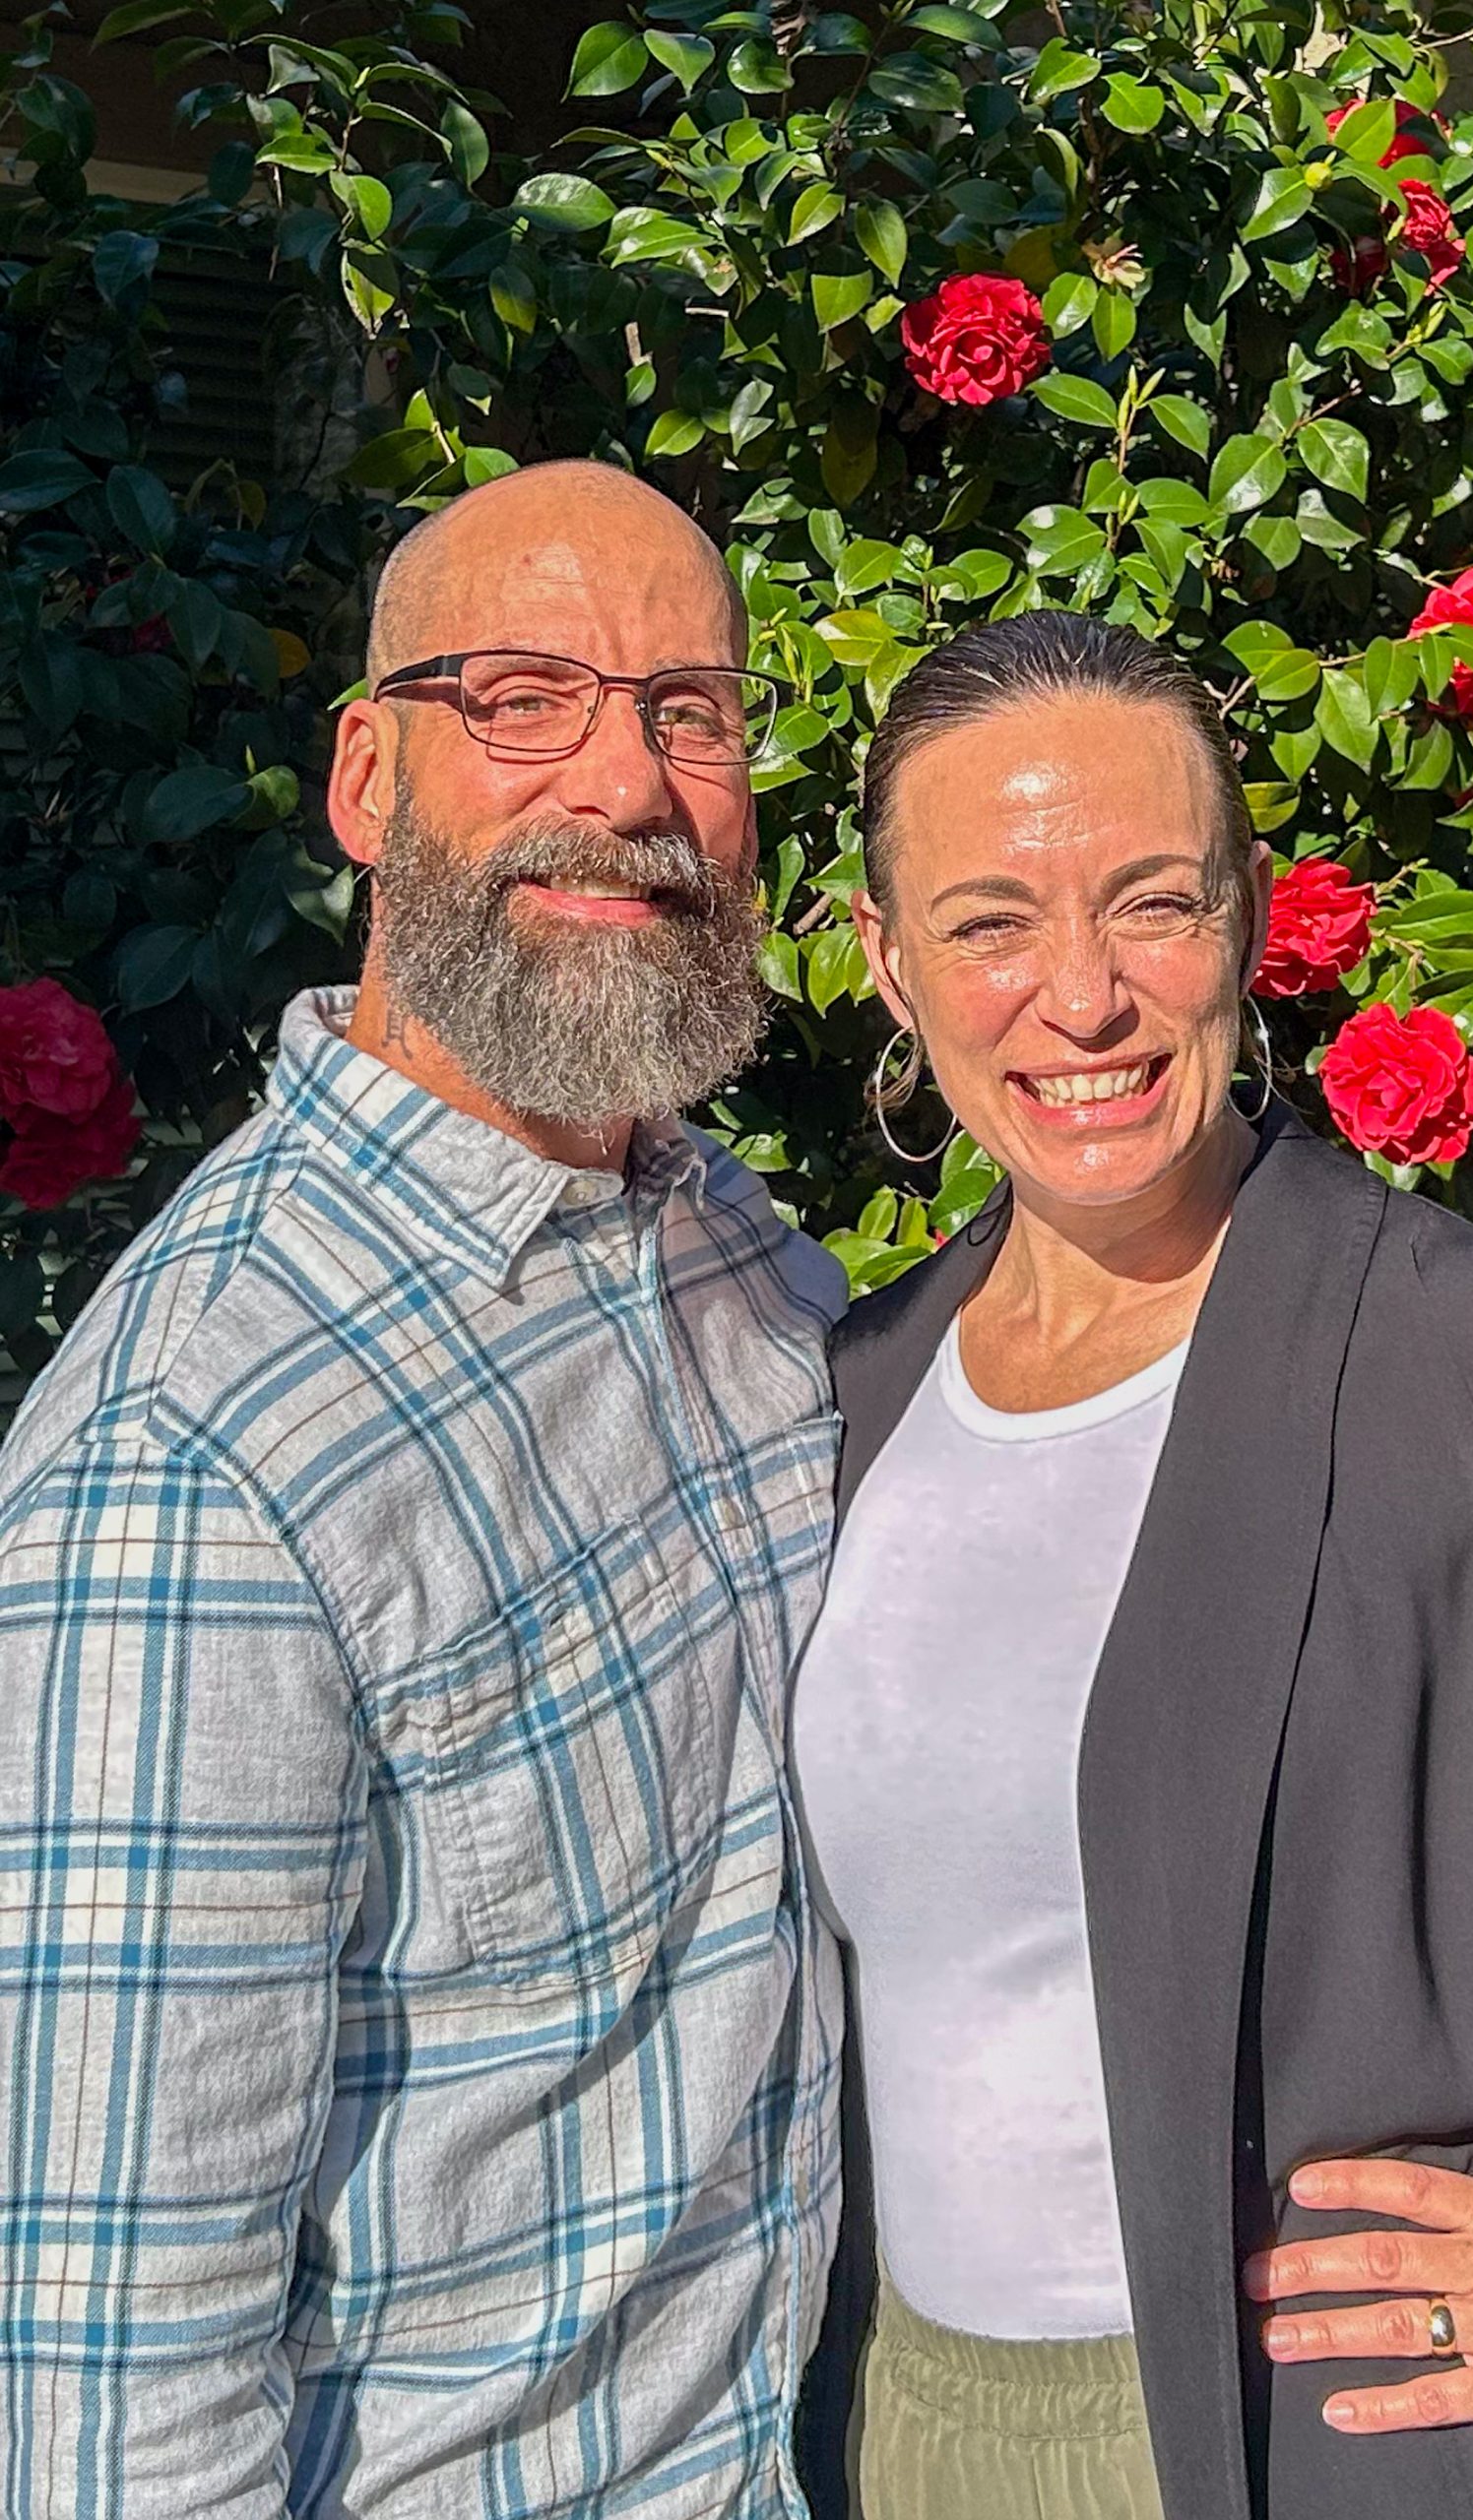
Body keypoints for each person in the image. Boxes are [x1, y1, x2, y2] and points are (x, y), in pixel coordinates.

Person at [790, 610, 1473, 2520]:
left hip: (1393, 2469)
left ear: (1251, 914)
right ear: (887, 959)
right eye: (988, 923)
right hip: (899, 2443)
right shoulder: (846, 1398)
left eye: (1152, 901)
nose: (1082, 997)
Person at [0, 461, 847, 2518]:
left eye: (692, 710)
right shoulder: (195, 1461)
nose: (632, 780)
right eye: (528, 695)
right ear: (367, 778)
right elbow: (110, 2401)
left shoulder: (725, 1240)